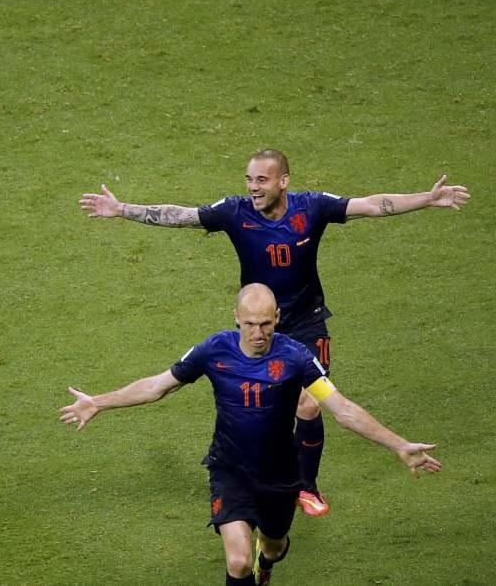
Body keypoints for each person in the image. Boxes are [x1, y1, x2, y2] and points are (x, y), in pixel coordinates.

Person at [79, 149, 467, 516]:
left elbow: (369, 205)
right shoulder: (234, 212)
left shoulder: (312, 207)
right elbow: (181, 216)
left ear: (283, 181)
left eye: (261, 180)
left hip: (306, 324)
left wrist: (426, 199)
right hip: (260, 323)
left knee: (309, 405)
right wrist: (121, 209)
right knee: (263, 405)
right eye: (249, 179)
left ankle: (306, 486)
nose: (253, 187)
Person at [59, 284, 441, 586]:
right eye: (250, 324)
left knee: (273, 547)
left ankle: (268, 560)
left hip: (280, 476)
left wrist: (399, 445)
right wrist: (98, 402)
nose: (258, 333)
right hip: (230, 470)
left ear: (277, 318)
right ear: (236, 319)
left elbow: (342, 409)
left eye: (266, 324)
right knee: (238, 562)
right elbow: (157, 386)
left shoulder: (295, 357)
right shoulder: (214, 350)